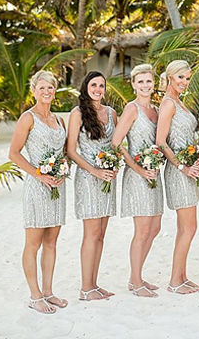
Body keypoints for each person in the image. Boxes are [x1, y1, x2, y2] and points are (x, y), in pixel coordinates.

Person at [8, 71, 68, 314]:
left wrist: (62, 172)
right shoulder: (27, 117)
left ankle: (48, 291)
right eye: (42, 88)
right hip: (37, 186)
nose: (46, 92)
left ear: (55, 90)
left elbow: (63, 154)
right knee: (33, 244)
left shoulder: (59, 120)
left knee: (51, 242)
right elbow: (13, 153)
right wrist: (39, 174)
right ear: (34, 90)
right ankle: (34, 296)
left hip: (57, 187)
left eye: (50, 88)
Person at [111, 64, 163, 298]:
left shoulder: (157, 109)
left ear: (154, 84)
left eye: (148, 81)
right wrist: (137, 168)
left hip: (154, 173)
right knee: (142, 230)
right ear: (133, 84)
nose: (145, 85)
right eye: (140, 82)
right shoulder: (131, 109)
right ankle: (135, 281)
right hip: (137, 174)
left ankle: (137, 276)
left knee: (155, 227)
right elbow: (116, 142)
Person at [66, 71, 118, 301]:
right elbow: (71, 151)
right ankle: (86, 288)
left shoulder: (112, 113)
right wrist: (95, 170)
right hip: (88, 178)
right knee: (91, 233)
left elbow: (116, 145)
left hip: (108, 178)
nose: (98, 89)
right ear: (86, 86)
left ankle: (94, 284)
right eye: (94, 85)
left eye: (102, 85)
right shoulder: (77, 114)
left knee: (101, 234)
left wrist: (114, 165)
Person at [156, 60, 199, 294]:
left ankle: (183, 276)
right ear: (170, 78)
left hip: (189, 170)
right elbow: (161, 142)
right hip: (178, 172)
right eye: (180, 78)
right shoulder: (167, 104)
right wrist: (182, 167)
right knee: (189, 227)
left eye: (187, 78)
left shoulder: (179, 103)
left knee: (187, 227)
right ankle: (175, 281)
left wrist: (195, 157)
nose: (184, 82)